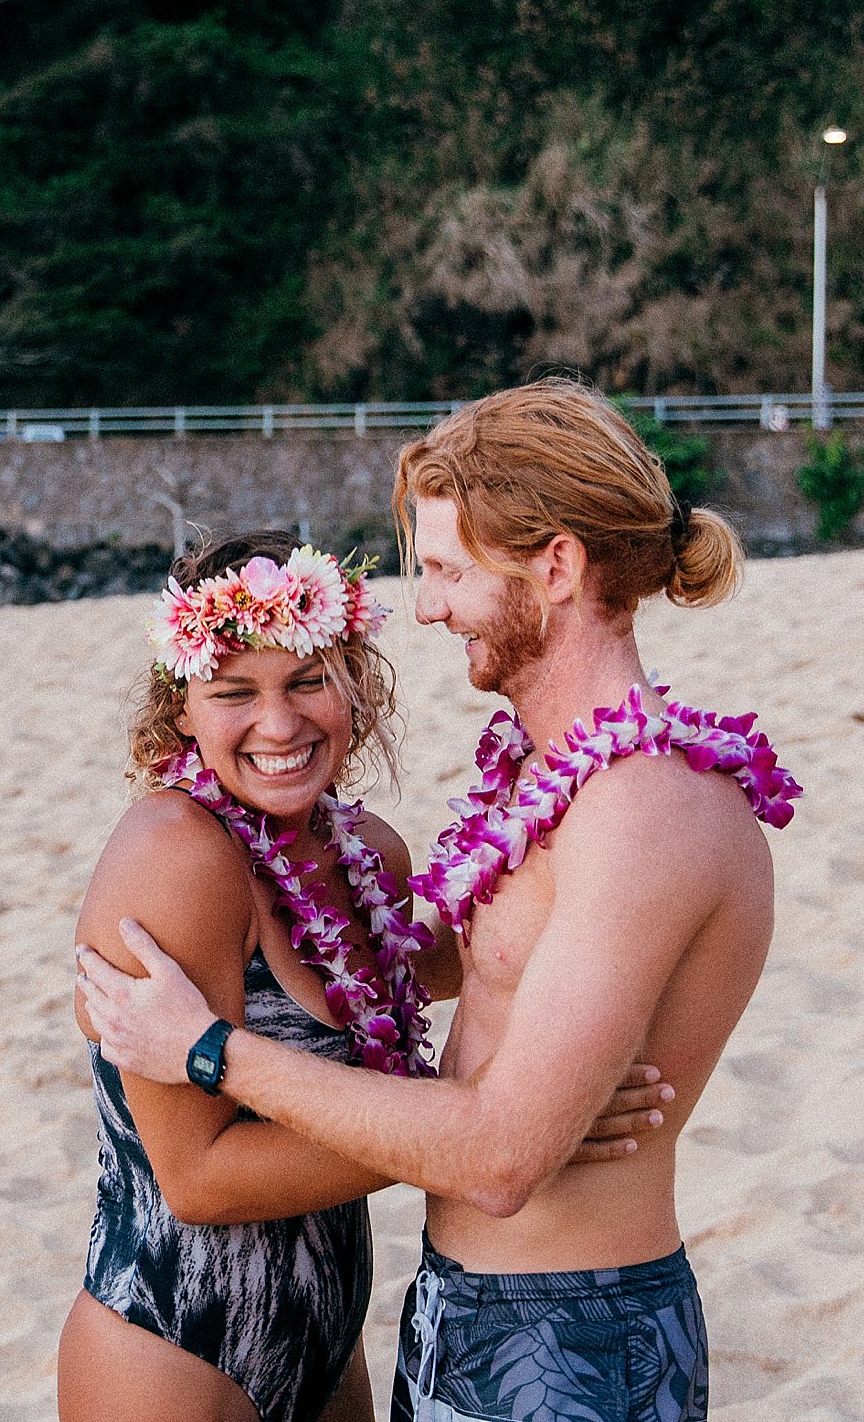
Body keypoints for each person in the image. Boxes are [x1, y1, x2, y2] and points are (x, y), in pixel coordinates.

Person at [77, 381, 801, 1422]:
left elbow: (502, 1156)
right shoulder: (544, 780)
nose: (424, 604)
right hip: (456, 1310)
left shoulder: (644, 809)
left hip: (564, 1332)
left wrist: (208, 1048)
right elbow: (416, 983)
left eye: (448, 569)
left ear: (553, 566)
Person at [62, 527, 672, 1422]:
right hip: (174, 1347)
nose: (279, 724)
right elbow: (200, 1179)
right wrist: (487, 1132)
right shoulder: (177, 854)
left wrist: (531, 1097)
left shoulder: (365, 854)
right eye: (233, 692)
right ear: (183, 709)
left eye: (308, 680)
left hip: (328, 1338)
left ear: (353, 680)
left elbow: (422, 962)